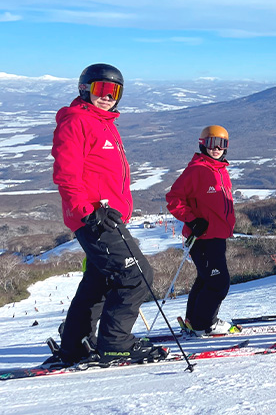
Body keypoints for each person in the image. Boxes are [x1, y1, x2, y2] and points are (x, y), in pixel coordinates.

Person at [48, 64, 166, 367]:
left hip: (106, 217)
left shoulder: (103, 122)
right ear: (85, 89)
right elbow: (66, 175)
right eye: (100, 90)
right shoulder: (77, 122)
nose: (107, 97)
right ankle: (115, 343)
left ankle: (75, 344)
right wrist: (89, 211)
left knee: (99, 282)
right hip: (94, 218)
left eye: (114, 92)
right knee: (136, 276)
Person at [166, 125, 237, 336]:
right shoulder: (198, 170)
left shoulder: (220, 170)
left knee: (206, 279)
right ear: (202, 144)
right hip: (203, 237)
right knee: (218, 282)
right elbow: (173, 199)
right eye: (211, 144)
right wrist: (192, 219)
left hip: (217, 235)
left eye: (221, 144)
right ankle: (205, 323)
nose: (216, 149)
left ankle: (193, 320)